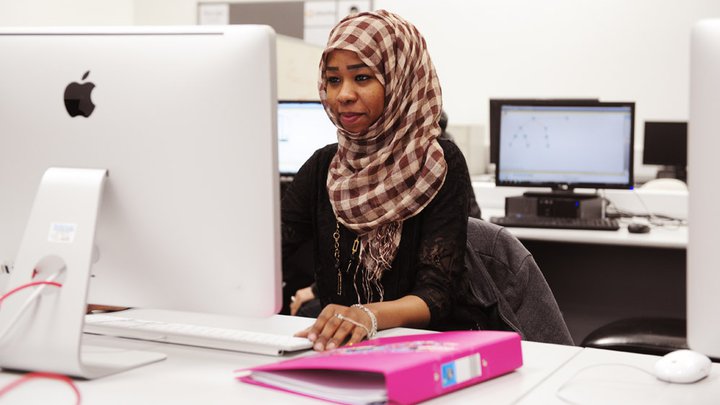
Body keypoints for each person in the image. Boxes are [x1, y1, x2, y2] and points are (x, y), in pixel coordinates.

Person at [281, 10, 474, 351]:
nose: (343, 95)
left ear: (399, 80)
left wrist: (366, 316)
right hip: (341, 346)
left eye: (362, 78)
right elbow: (272, 250)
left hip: (424, 348)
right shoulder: (325, 165)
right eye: (334, 80)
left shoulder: (438, 163)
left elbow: (437, 295)